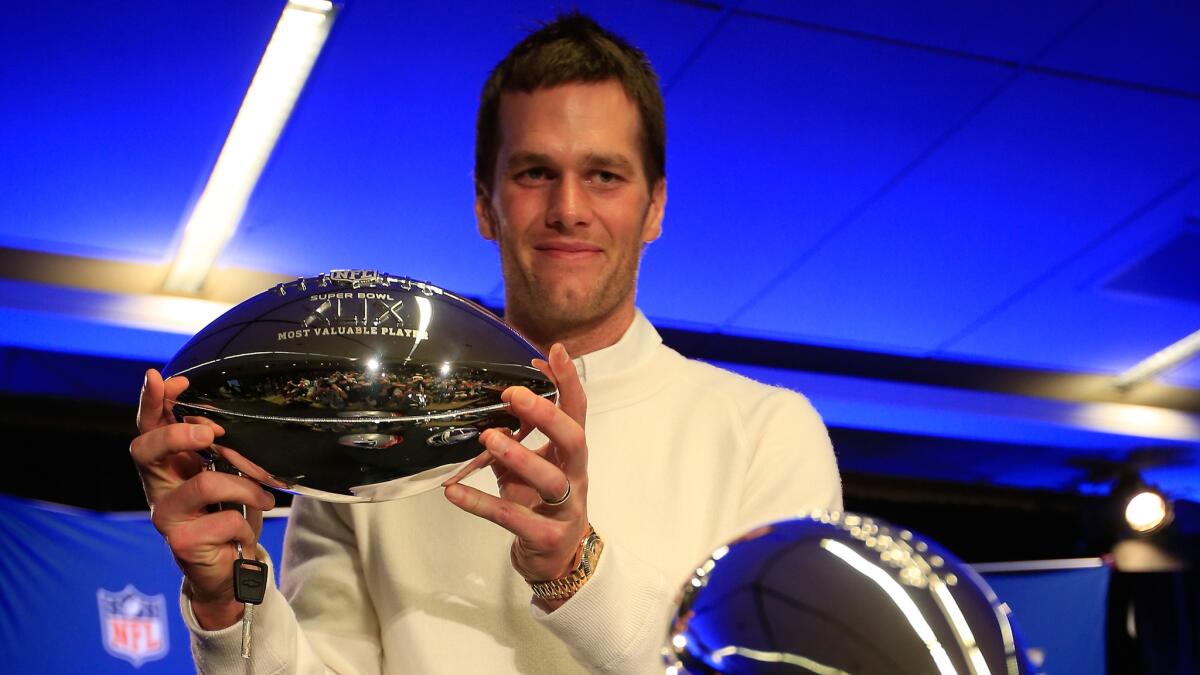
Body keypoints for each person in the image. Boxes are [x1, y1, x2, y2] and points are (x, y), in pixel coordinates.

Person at [131, 12, 841, 674]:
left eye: (604, 175)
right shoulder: (364, 427)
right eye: (535, 173)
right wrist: (224, 599)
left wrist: (577, 570)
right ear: (484, 203)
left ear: (654, 205)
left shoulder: (768, 435)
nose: (568, 209)